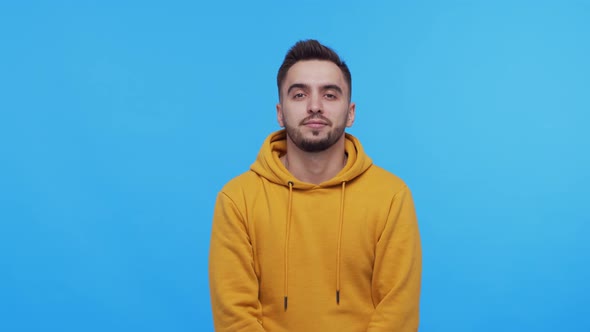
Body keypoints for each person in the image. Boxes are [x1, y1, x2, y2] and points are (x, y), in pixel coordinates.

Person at [209, 39, 422, 332]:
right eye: (299, 94)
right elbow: (235, 318)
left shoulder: (391, 196)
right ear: (280, 112)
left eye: (330, 95)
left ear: (351, 113)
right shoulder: (238, 199)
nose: (314, 106)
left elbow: (397, 315)